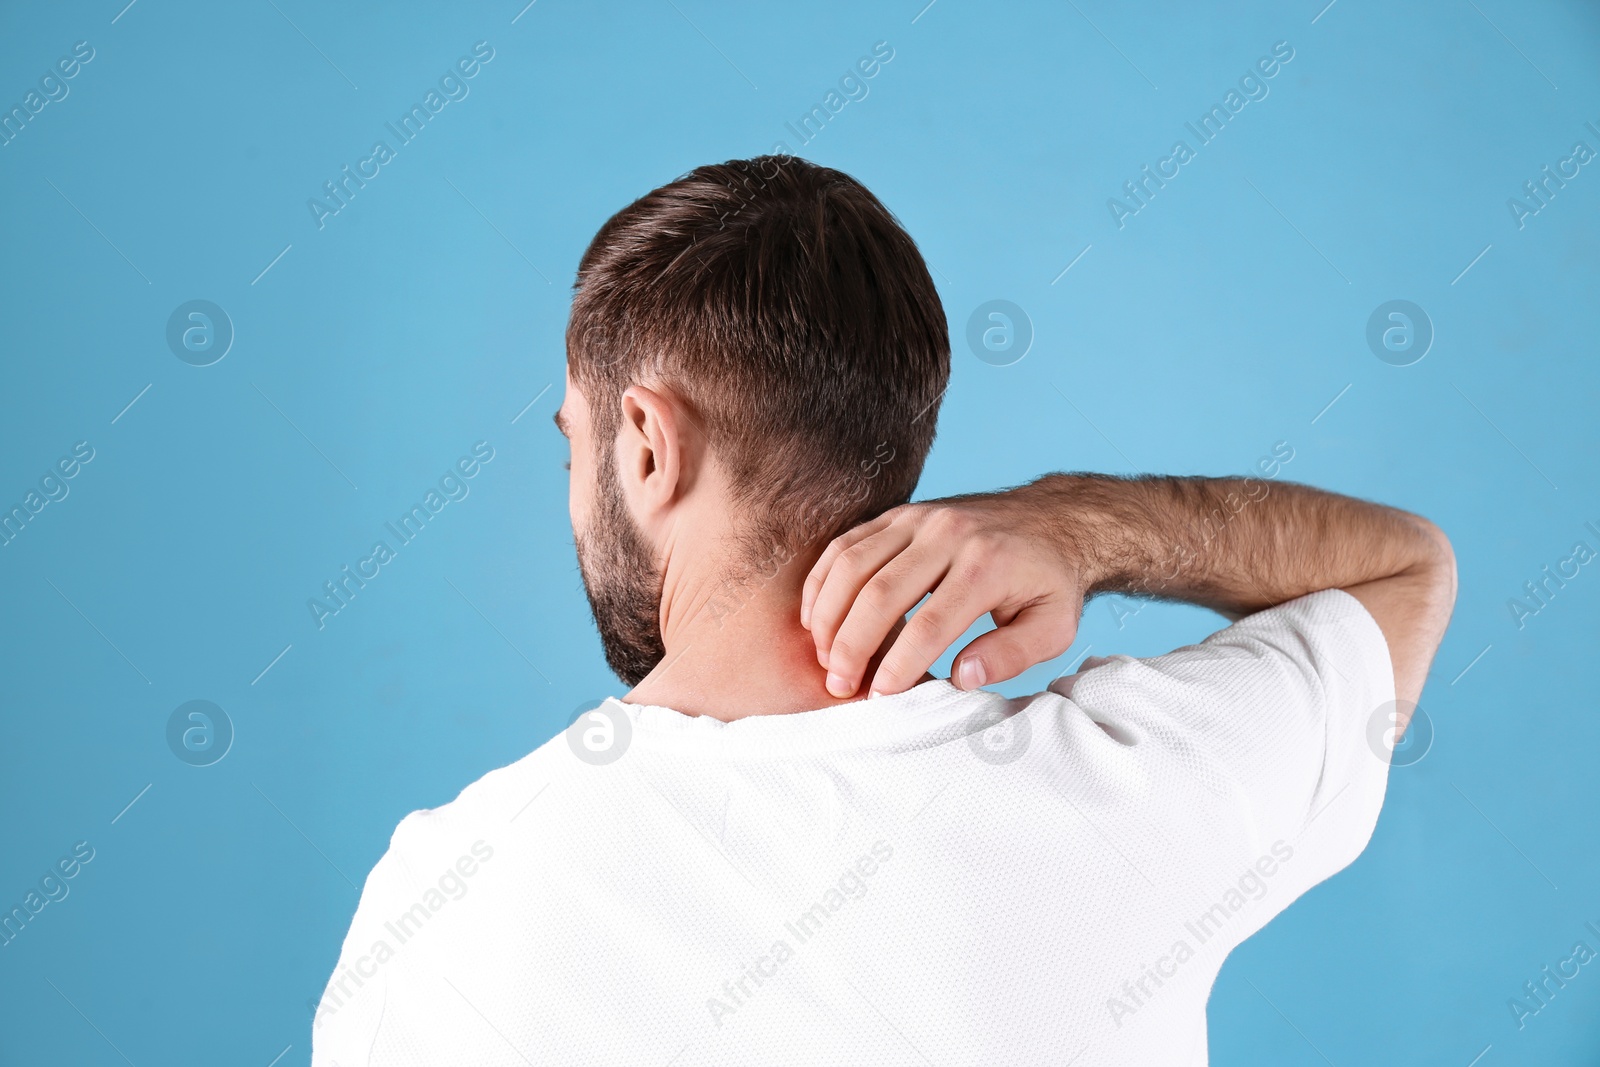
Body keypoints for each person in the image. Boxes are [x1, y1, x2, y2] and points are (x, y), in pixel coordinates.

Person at [311, 155, 1455, 1066]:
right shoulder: (1125, 787)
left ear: (649, 443)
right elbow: (1405, 571)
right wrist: (1078, 521)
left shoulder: (448, 898)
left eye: (575, 442)